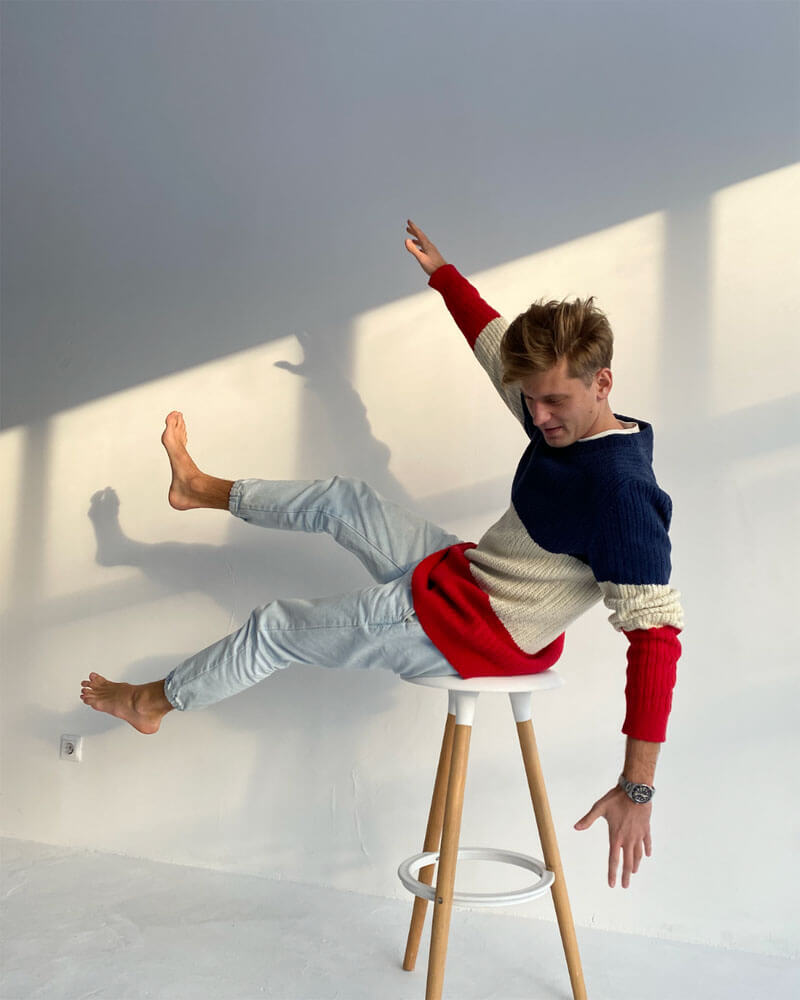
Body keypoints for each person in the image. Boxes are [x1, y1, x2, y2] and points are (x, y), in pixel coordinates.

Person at [81, 220, 683, 889]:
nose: (538, 416)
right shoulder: (564, 418)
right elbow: (493, 347)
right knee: (346, 500)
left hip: (473, 630)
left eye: (554, 401)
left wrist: (637, 789)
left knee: (276, 628)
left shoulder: (623, 494)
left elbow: (656, 638)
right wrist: (443, 275)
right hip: (469, 574)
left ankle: (153, 703)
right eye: (532, 398)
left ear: (602, 382)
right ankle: (198, 489)